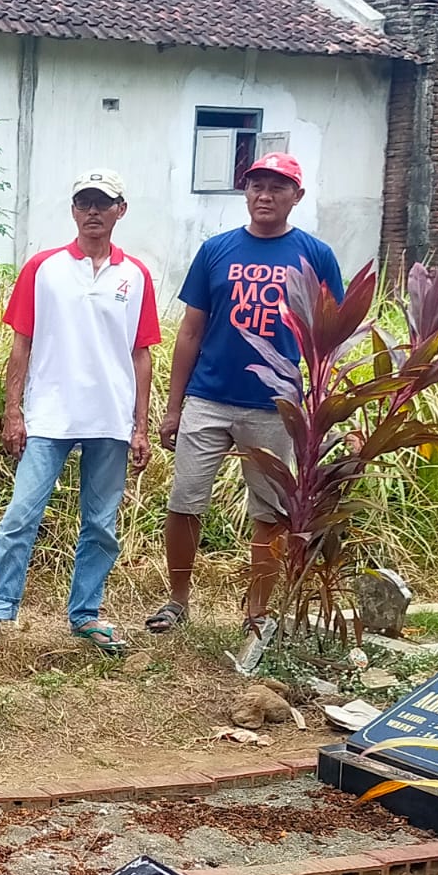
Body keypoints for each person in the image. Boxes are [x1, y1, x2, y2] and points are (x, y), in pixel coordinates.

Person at [145, 152, 343, 640]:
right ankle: (178, 601)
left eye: (278, 187)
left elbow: (332, 335)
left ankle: (256, 613)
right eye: (256, 186)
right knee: (185, 501)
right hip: (208, 397)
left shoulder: (315, 255)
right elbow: (190, 331)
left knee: (270, 512)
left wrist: (323, 408)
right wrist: (174, 408)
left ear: (297, 196)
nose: (265, 195)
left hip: (274, 406)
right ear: (246, 193)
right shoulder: (216, 250)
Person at [0, 170, 158, 654]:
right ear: (73, 210)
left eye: (103, 202)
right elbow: (21, 345)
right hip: (49, 414)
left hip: (110, 418)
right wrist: (14, 411)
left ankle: (85, 614)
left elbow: (141, 354)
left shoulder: (134, 275)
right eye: (84, 202)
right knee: (21, 513)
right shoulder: (43, 268)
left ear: (121, 210)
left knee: (100, 524)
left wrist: (141, 426)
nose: (93, 211)